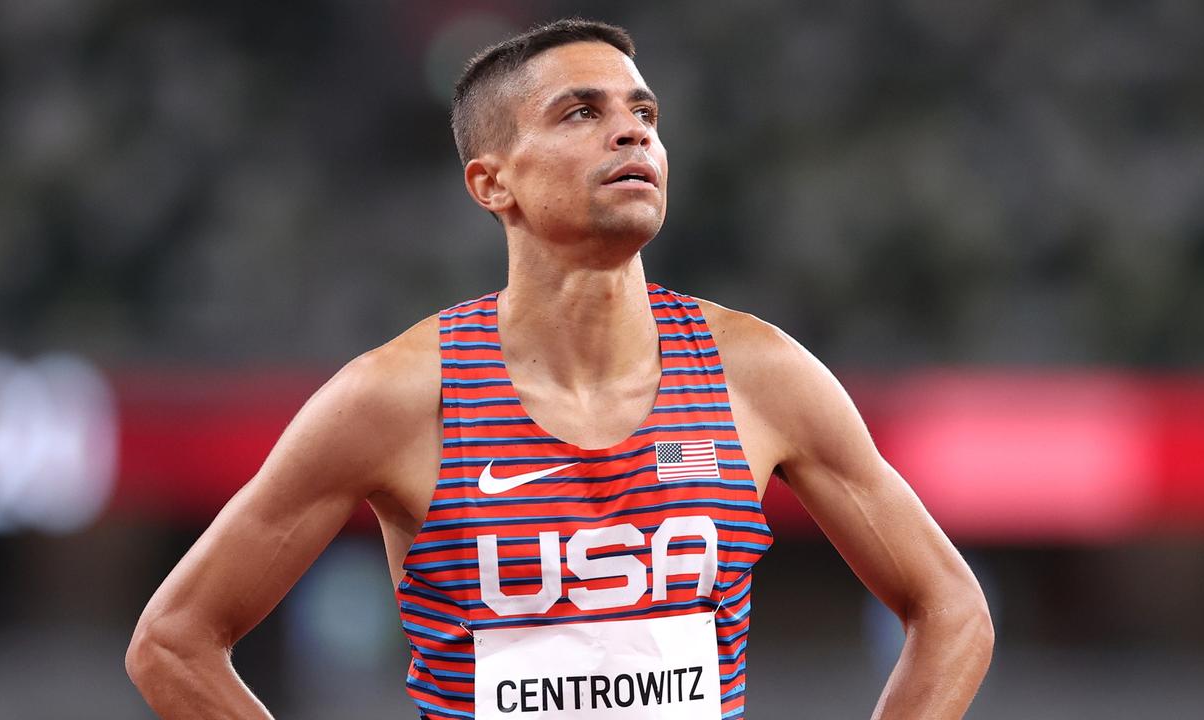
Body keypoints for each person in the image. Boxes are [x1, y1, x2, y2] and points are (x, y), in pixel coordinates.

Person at [126, 17, 993, 720]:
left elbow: (952, 609)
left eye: (645, 113)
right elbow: (173, 642)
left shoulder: (757, 373)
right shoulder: (396, 397)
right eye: (581, 112)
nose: (632, 130)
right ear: (491, 183)